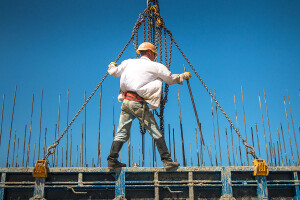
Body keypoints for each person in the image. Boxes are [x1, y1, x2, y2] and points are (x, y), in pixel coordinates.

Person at [107, 42, 191, 169]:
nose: (154, 57)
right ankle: (167, 160)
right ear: (150, 52)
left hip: (126, 101)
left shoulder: (128, 62)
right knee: (155, 130)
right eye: (154, 54)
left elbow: (113, 72)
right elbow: (170, 79)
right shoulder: (156, 66)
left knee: (122, 132)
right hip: (138, 103)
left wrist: (112, 65)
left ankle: (112, 160)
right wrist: (182, 77)